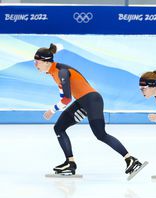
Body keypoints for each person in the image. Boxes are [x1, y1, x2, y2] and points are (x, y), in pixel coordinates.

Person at [34, 43, 145, 178]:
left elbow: (67, 99)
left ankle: (131, 159)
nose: (35, 64)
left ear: (46, 61)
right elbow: (64, 96)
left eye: (37, 61)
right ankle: (70, 163)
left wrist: (52, 110)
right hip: (82, 102)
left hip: (92, 100)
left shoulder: (61, 71)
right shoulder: (53, 72)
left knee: (101, 134)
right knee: (59, 127)